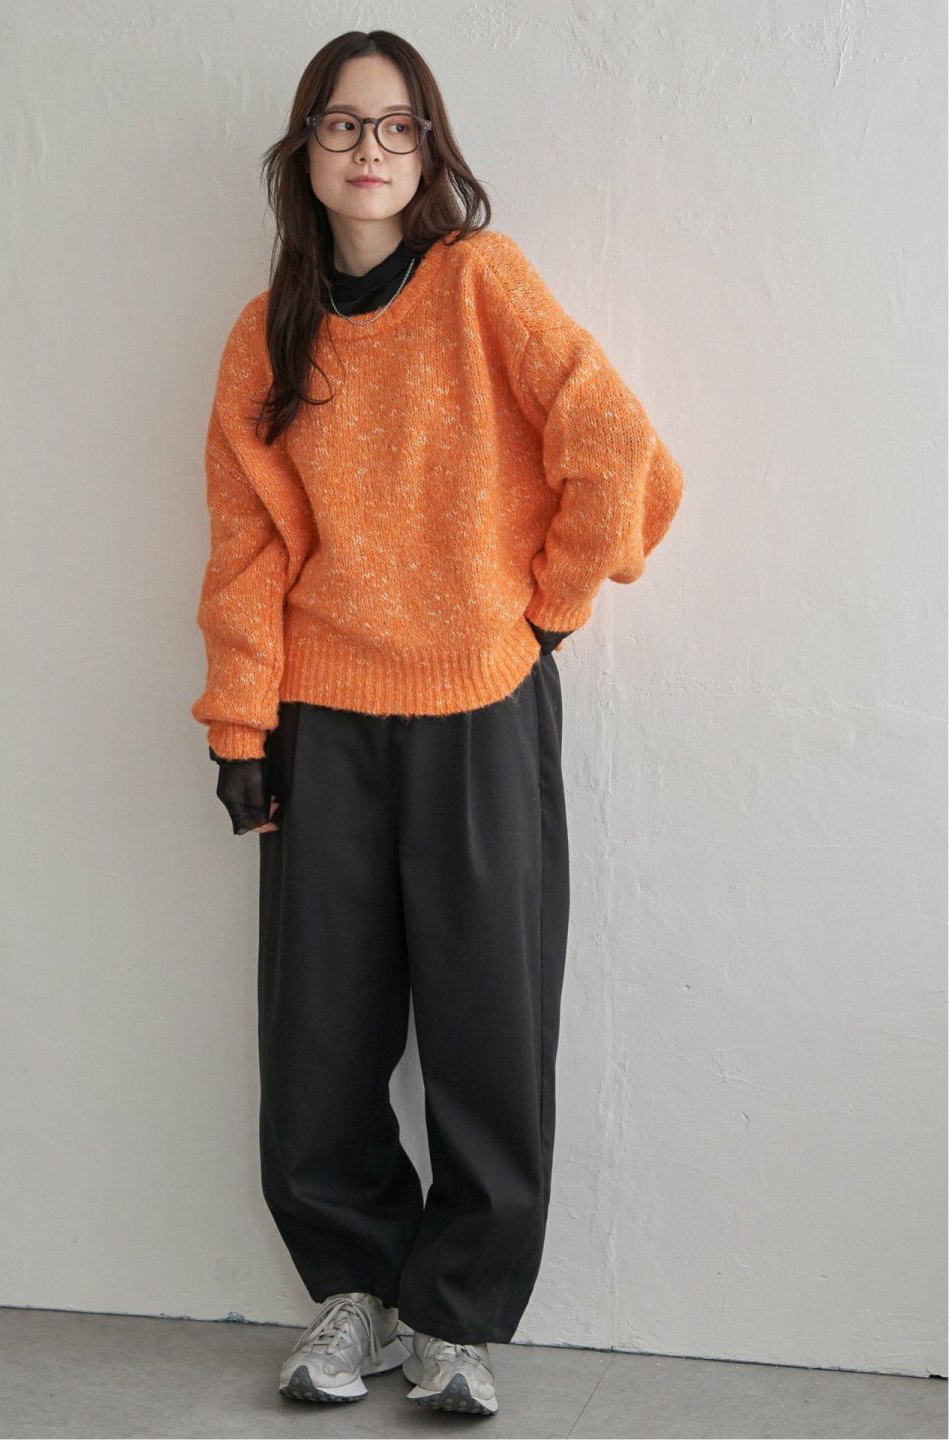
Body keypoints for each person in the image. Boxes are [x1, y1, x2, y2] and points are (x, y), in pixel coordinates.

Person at [190, 29, 684, 1418]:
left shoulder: (480, 283)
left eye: (397, 126)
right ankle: (358, 1292)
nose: (370, 149)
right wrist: (239, 728)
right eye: (344, 125)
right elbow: (246, 548)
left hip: (481, 706)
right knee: (321, 1029)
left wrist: (549, 613)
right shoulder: (265, 334)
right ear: (304, 151)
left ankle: (457, 1316)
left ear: (429, 149)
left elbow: (618, 445)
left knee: (488, 1020)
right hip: (322, 718)